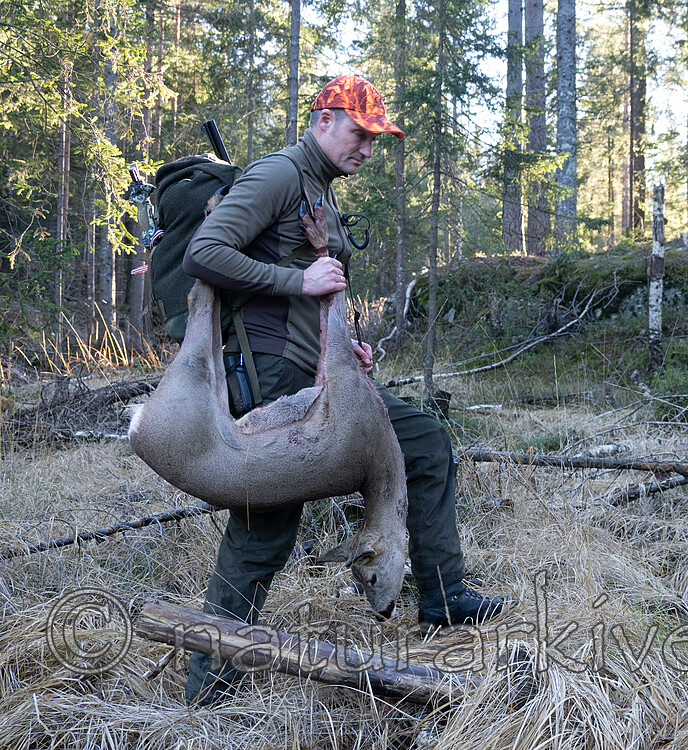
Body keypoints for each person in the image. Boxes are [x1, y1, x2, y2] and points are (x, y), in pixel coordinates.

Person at [181, 73, 505, 706]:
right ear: (324, 120)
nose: (366, 147)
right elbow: (203, 253)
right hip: (274, 386)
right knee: (262, 532)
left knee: (425, 442)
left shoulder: (318, 190)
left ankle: (442, 596)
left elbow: (314, 287)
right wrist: (296, 283)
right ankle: (207, 693)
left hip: (322, 380)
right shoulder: (278, 174)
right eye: (359, 132)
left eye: (374, 138)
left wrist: (342, 345)